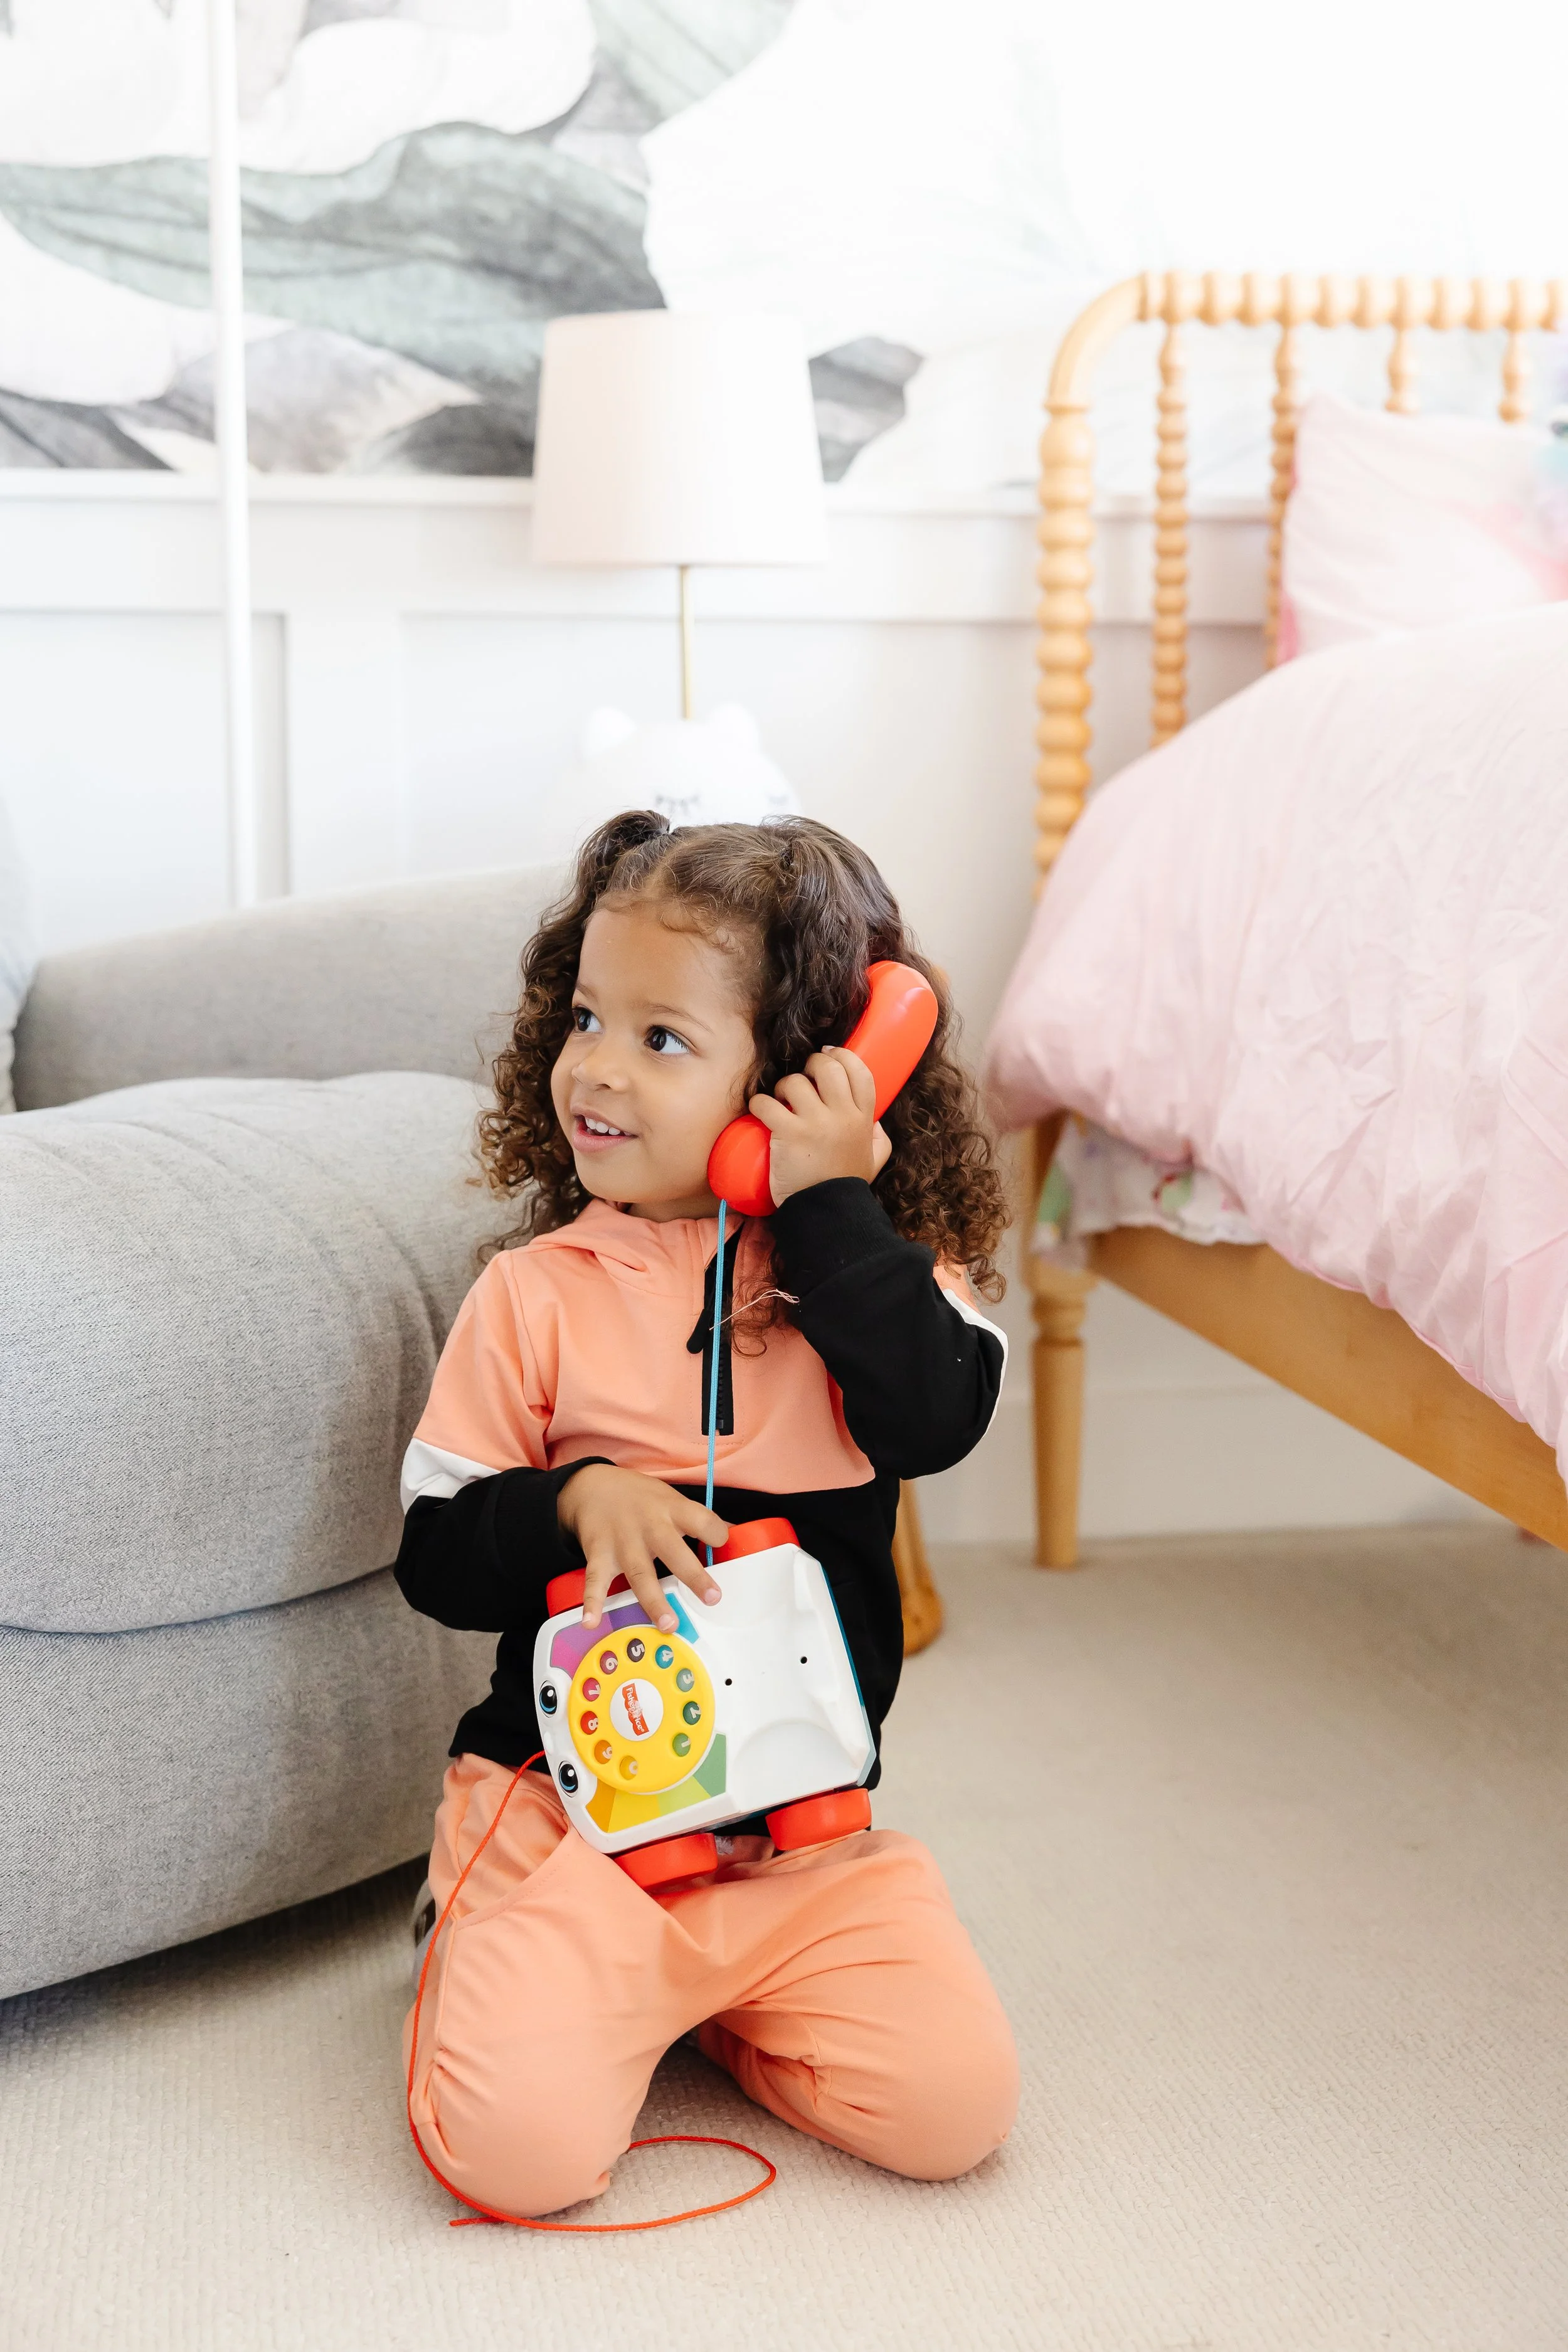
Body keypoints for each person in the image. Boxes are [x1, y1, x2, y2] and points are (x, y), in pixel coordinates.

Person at [396, 811, 1019, 2220]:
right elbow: (433, 1555)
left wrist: (831, 1210)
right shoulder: (534, 1292)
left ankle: (716, 2001)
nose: (597, 1070)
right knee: (519, 2158)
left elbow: (936, 1419)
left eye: (662, 1039)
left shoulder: (881, 1278)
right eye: (587, 1020)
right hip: (569, 1821)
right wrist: (572, 1500)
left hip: (803, 1834)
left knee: (952, 2113)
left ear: (819, 1073)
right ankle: (486, 1933)